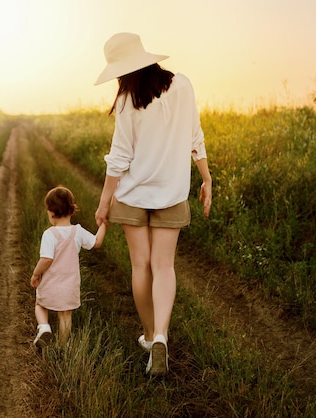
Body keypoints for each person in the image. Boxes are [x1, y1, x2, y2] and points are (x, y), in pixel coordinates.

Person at [94, 33, 212, 376]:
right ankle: (161, 335)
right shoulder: (184, 85)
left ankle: (148, 335)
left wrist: (104, 203)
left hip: (132, 195)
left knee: (140, 266)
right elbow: (195, 136)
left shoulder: (127, 99)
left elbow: (119, 158)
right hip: (172, 193)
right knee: (164, 266)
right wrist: (206, 178)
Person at [31, 186, 106, 350]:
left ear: (50, 212)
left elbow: (46, 259)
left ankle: (44, 327)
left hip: (51, 282)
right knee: (65, 315)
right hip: (70, 285)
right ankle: (62, 347)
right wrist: (103, 225)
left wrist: (36, 274)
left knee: (40, 304)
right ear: (72, 211)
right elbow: (96, 242)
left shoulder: (49, 234)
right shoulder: (77, 232)